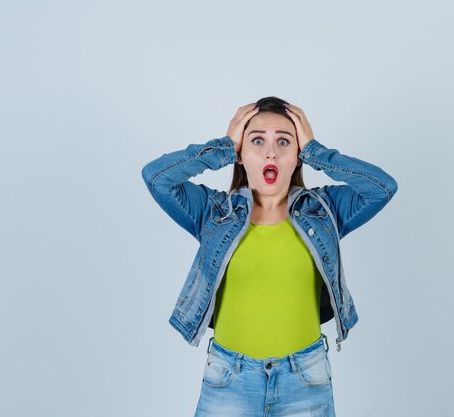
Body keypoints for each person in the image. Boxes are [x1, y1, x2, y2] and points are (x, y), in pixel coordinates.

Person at [141, 96, 398, 416]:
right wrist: (223, 146)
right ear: (241, 154)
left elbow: (382, 187)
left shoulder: (325, 211)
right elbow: (156, 177)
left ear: (298, 156)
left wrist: (317, 152)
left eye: (284, 142)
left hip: (305, 379)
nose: (270, 152)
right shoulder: (213, 213)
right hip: (229, 379)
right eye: (257, 141)